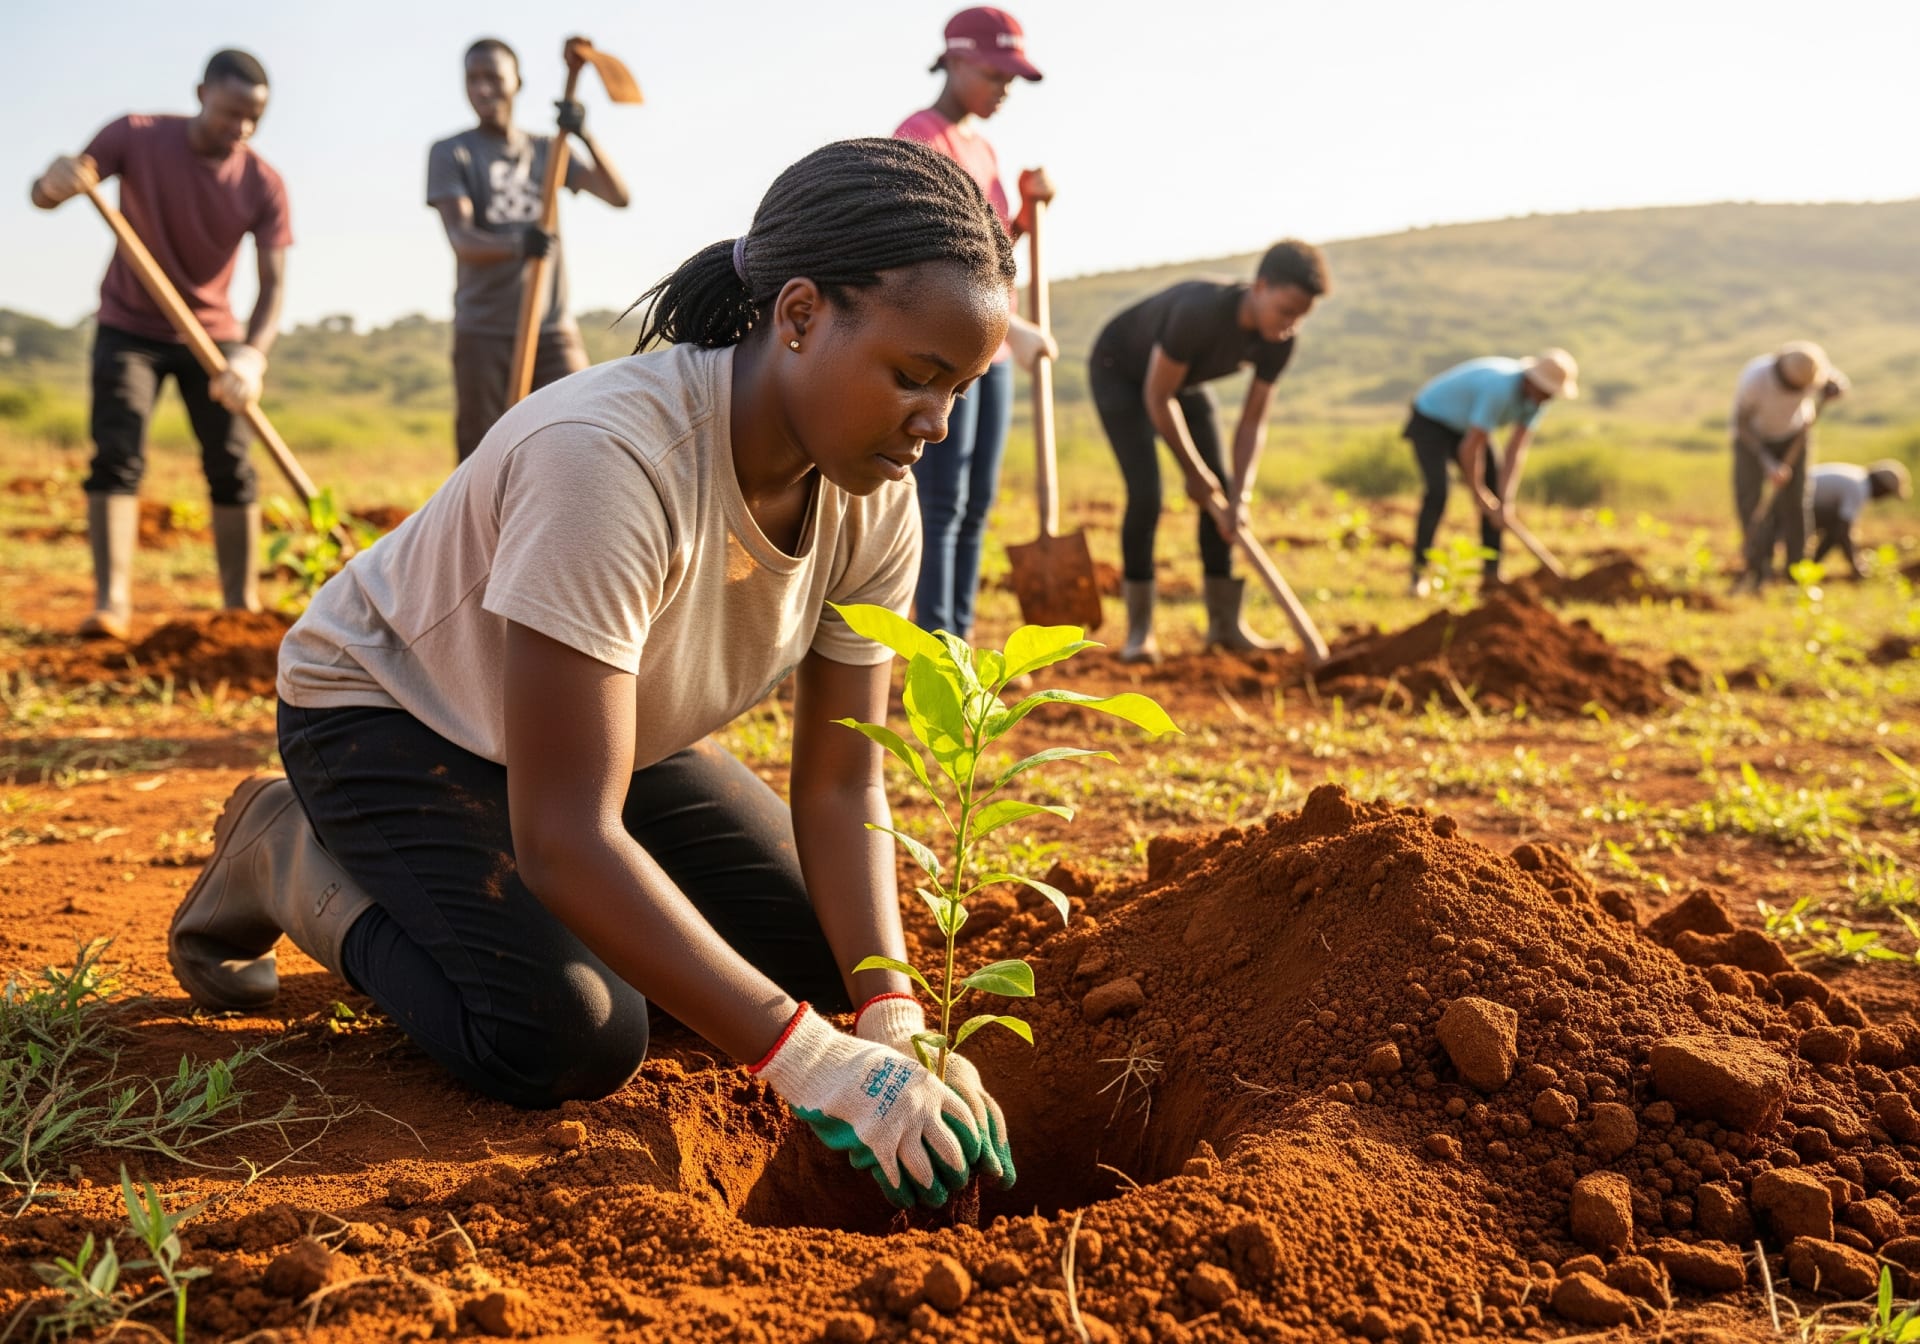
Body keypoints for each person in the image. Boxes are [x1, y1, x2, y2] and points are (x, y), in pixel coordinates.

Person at [167, 139, 1017, 1210]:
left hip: (589, 738)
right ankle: (283, 854)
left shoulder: (874, 499)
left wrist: (892, 1017)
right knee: (568, 1033)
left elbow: (844, 786)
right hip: (391, 714)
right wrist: (808, 1061)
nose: (937, 425)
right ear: (798, 316)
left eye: (961, 389)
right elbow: (566, 838)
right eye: (915, 377)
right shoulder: (611, 459)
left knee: (813, 956)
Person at [29, 49, 292, 639]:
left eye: (254, 119)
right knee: (117, 455)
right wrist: (55, 180)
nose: (241, 129)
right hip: (130, 328)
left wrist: (251, 357)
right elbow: (44, 197)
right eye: (231, 114)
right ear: (202, 94)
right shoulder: (136, 135)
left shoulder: (263, 182)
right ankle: (112, 603)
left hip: (214, 339)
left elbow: (273, 287)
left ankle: (239, 605)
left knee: (232, 464)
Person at [894, 6, 1057, 639]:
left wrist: (1026, 210)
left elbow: (995, 253)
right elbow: (929, 252)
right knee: (942, 503)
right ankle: (935, 645)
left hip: (998, 354)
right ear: (957, 60)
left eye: (1012, 78)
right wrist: (1009, 328)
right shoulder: (918, 139)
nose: (1004, 89)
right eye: (995, 73)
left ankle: (956, 640)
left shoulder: (983, 148)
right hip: (950, 353)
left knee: (978, 506)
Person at [1088, 242, 1330, 662]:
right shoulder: (1199, 311)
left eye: (1301, 317)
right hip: (1120, 373)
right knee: (1146, 495)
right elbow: (1157, 396)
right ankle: (1140, 632)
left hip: (1181, 382)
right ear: (1261, 286)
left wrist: (1242, 495)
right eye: (1286, 310)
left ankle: (1224, 626)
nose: (1291, 325)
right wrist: (1192, 472)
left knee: (1225, 489)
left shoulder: (1280, 341)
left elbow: (1253, 421)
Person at [428, 38, 631, 464]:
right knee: (481, 456)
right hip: (484, 328)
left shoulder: (547, 150)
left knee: (583, 427)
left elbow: (617, 196)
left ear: (516, 82)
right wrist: (519, 244)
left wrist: (584, 135)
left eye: (493, 78)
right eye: (473, 79)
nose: (483, 89)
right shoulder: (453, 152)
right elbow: (463, 241)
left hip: (551, 325)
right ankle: (484, 533)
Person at [1403, 349, 1579, 597]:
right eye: (1545, 392)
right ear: (1532, 382)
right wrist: (1478, 492)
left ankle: (1491, 575)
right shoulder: (1500, 390)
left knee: (1495, 492)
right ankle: (1418, 576)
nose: (1547, 399)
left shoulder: (1536, 401)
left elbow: (1516, 450)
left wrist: (1504, 501)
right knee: (1438, 493)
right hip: (1432, 419)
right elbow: (1469, 449)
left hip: (1467, 426)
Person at [1731, 341, 1849, 590]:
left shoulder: (1813, 368)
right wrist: (1769, 464)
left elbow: (1838, 383)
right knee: (1751, 504)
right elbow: (1741, 425)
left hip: (1794, 436)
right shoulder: (1755, 379)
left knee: (1796, 504)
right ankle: (1758, 571)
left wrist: (1835, 391)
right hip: (1753, 441)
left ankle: (1797, 574)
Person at [1810, 460, 1911, 579]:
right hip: (1794, 503)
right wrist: (1856, 566)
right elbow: (1844, 531)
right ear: (1881, 487)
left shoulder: (1857, 477)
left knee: (1835, 526)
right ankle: (1806, 565)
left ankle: (1811, 565)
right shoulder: (1859, 488)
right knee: (1837, 527)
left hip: (1798, 497)